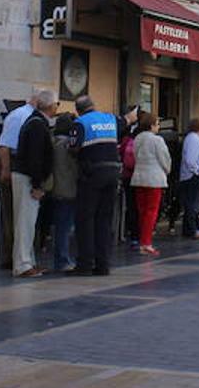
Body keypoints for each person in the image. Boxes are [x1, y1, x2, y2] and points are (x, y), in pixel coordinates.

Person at [71, 95, 120, 276]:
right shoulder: (110, 119)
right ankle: (103, 265)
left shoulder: (80, 123)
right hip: (113, 173)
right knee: (104, 221)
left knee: (85, 220)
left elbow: (74, 148)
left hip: (92, 174)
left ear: (79, 110)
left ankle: (84, 265)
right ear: (93, 105)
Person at [11, 91, 56, 277]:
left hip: (26, 175)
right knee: (25, 222)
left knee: (28, 222)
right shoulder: (37, 125)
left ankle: (28, 261)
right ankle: (22, 264)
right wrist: (38, 184)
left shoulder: (35, 122)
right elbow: (35, 157)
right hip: (27, 178)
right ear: (51, 106)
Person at [0, 95, 38, 272]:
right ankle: (13, 258)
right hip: (12, 164)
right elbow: (5, 145)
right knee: (12, 213)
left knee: (17, 213)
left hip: (18, 164)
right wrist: (6, 169)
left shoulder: (30, 117)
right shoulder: (20, 116)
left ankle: (15, 256)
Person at [130, 112, 171, 255]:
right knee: (151, 211)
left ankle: (142, 240)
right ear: (152, 125)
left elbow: (134, 155)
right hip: (154, 179)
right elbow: (164, 159)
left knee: (142, 211)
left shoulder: (137, 139)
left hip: (139, 177)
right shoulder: (157, 140)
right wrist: (167, 170)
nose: (158, 127)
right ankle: (146, 243)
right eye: (157, 124)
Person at [47, 110, 79, 272]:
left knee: (60, 227)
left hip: (56, 189)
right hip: (69, 189)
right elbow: (75, 167)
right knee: (64, 228)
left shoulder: (52, 142)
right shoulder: (68, 145)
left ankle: (61, 258)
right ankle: (62, 260)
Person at [119, 105, 140, 249]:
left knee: (131, 206)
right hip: (135, 176)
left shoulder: (125, 139)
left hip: (127, 176)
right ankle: (136, 235)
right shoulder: (133, 141)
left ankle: (130, 233)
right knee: (137, 207)